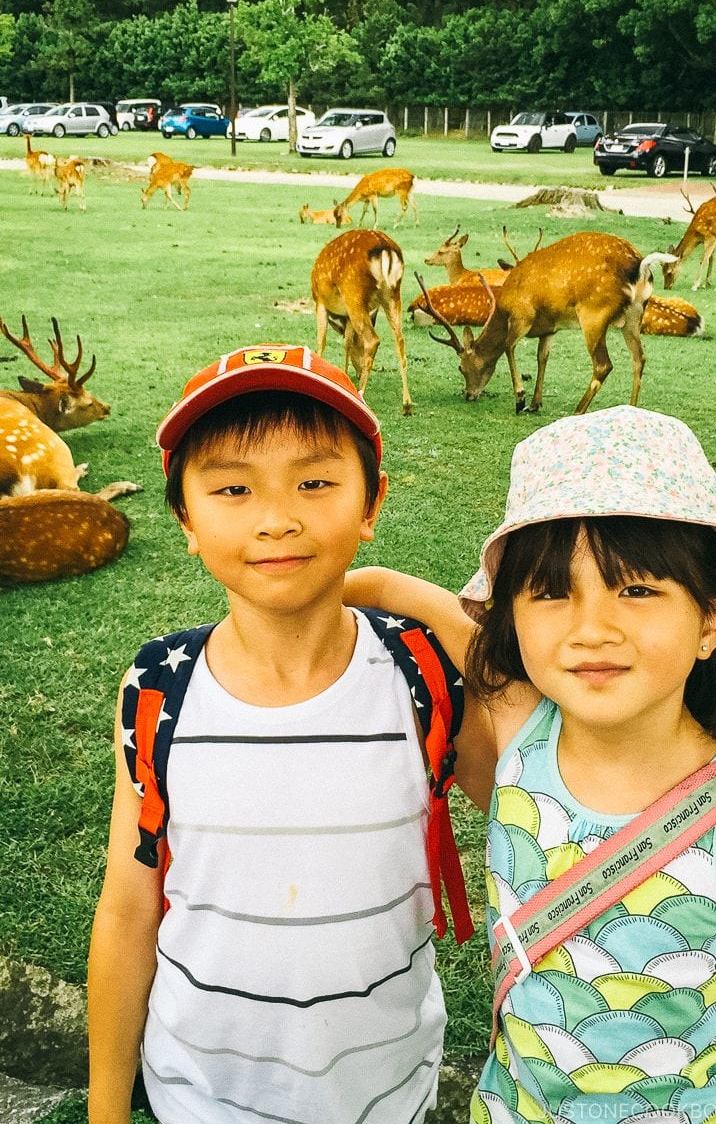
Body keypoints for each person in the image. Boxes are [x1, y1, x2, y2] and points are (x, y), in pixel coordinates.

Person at [345, 405, 716, 1122]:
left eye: (639, 589)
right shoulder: (516, 721)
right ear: (510, 618)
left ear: (713, 618)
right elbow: (380, 586)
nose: (592, 629)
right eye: (552, 592)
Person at [87, 344, 492, 1124]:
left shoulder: (420, 675)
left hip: (384, 1092)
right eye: (233, 488)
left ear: (371, 505)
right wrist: (108, 1111)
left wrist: (404, 591)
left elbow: (556, 784)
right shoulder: (156, 687)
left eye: (315, 482)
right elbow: (128, 908)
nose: (277, 517)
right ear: (186, 521)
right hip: (197, 1096)